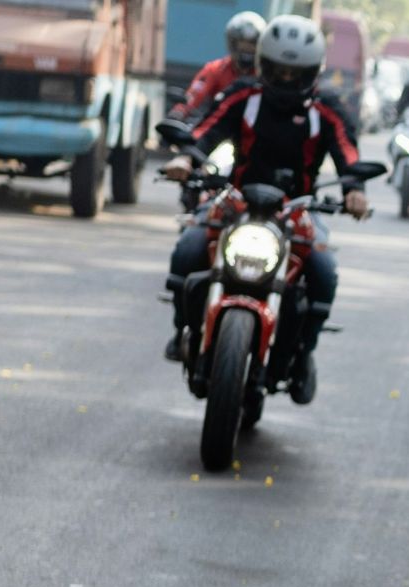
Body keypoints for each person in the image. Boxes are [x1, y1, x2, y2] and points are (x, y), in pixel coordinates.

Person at [161, 15, 371, 403]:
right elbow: (206, 131)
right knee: (188, 250)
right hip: (237, 201)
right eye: (279, 71)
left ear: (313, 71)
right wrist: (186, 161)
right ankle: (183, 332)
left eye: (297, 73)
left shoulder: (327, 110)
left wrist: (354, 190)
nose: (287, 81)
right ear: (263, 65)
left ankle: (303, 355)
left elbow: (348, 152)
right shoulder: (243, 95)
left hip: (298, 210)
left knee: (324, 272)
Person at [168, 11, 264, 122]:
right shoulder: (215, 69)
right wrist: (179, 112)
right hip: (217, 128)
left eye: (252, 44)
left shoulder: (265, 75)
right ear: (232, 44)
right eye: (242, 44)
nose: (247, 49)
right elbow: (194, 95)